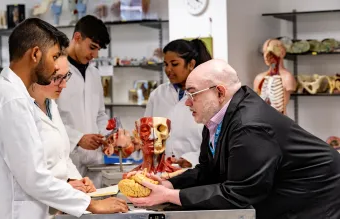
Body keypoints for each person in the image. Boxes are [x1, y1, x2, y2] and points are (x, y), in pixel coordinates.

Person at [0, 18, 128, 219]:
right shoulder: (10, 100)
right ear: (36, 54)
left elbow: (54, 158)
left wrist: (72, 182)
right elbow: (34, 177)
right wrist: (91, 205)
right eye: (54, 56)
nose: (56, 65)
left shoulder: (25, 97)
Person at [128, 59, 340, 219]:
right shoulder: (217, 117)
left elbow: (240, 193)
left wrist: (169, 196)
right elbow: (207, 171)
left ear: (219, 92)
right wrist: (169, 183)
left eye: (193, 94)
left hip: (313, 203)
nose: (187, 103)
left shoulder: (250, 125)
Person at [56, 15, 110, 188]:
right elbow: (47, 119)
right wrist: (78, 138)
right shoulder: (56, 71)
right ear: (77, 38)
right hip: (67, 159)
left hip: (94, 162)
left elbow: (100, 114)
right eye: (92, 47)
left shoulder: (94, 74)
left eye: (97, 50)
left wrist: (108, 135)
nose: (94, 55)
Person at [28, 55, 96, 194]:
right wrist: (65, 187)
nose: (64, 84)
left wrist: (75, 180)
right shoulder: (20, 108)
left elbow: (62, 157)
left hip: (57, 201)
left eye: (66, 76)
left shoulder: (50, 104)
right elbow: (29, 175)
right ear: (38, 73)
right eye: (57, 78)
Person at [144, 38, 212, 168]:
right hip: (162, 171)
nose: (168, 70)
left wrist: (192, 159)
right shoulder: (158, 94)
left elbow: (216, 142)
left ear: (191, 64)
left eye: (174, 64)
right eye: (165, 64)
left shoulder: (206, 94)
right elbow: (147, 134)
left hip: (197, 170)